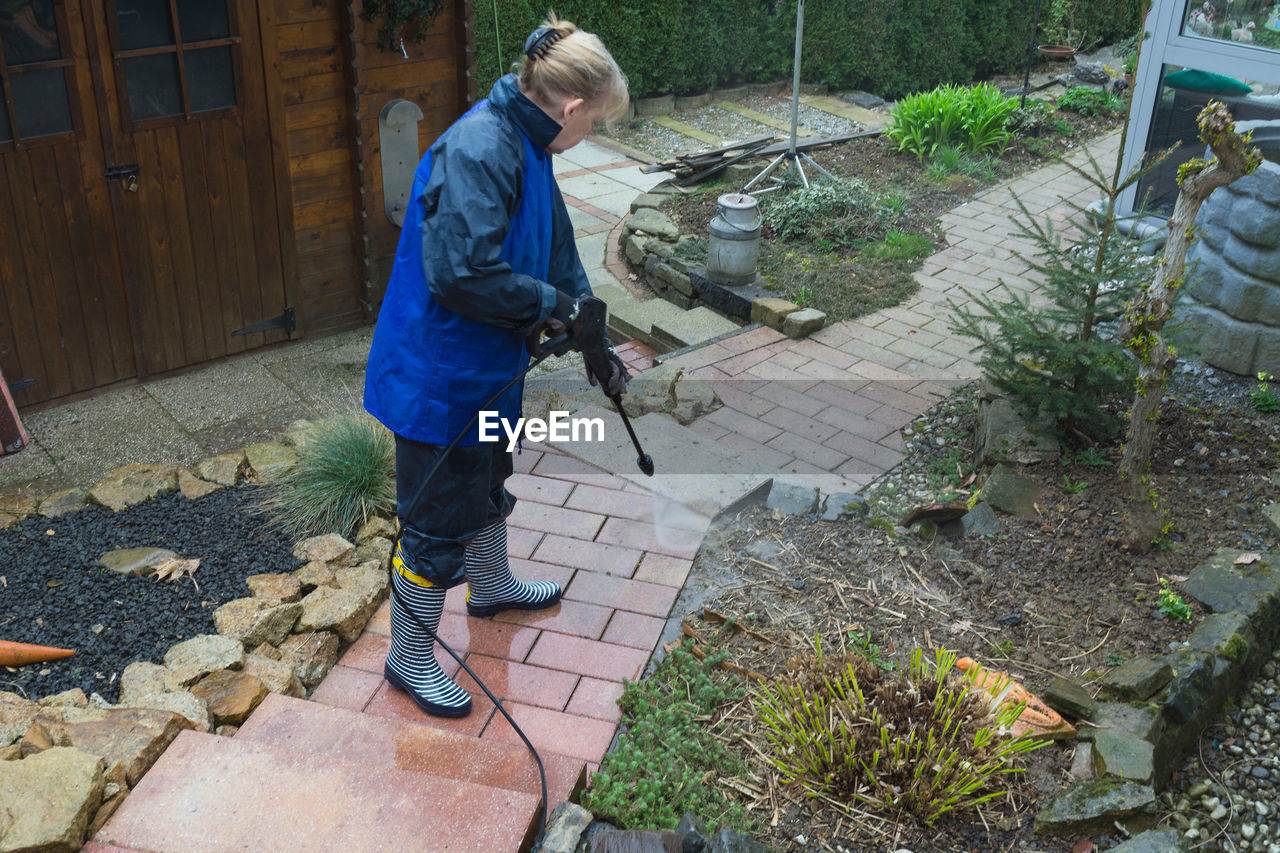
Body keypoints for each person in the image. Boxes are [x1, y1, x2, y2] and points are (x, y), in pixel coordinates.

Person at [363, 15, 631, 718]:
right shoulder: (482, 148)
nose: (590, 135)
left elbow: (558, 247)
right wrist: (551, 305)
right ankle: (408, 658)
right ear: (571, 108)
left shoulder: (531, 142)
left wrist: (590, 322)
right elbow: (461, 274)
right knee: (433, 519)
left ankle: (492, 587)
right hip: (439, 378)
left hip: (488, 368)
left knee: (487, 479)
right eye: (594, 122)